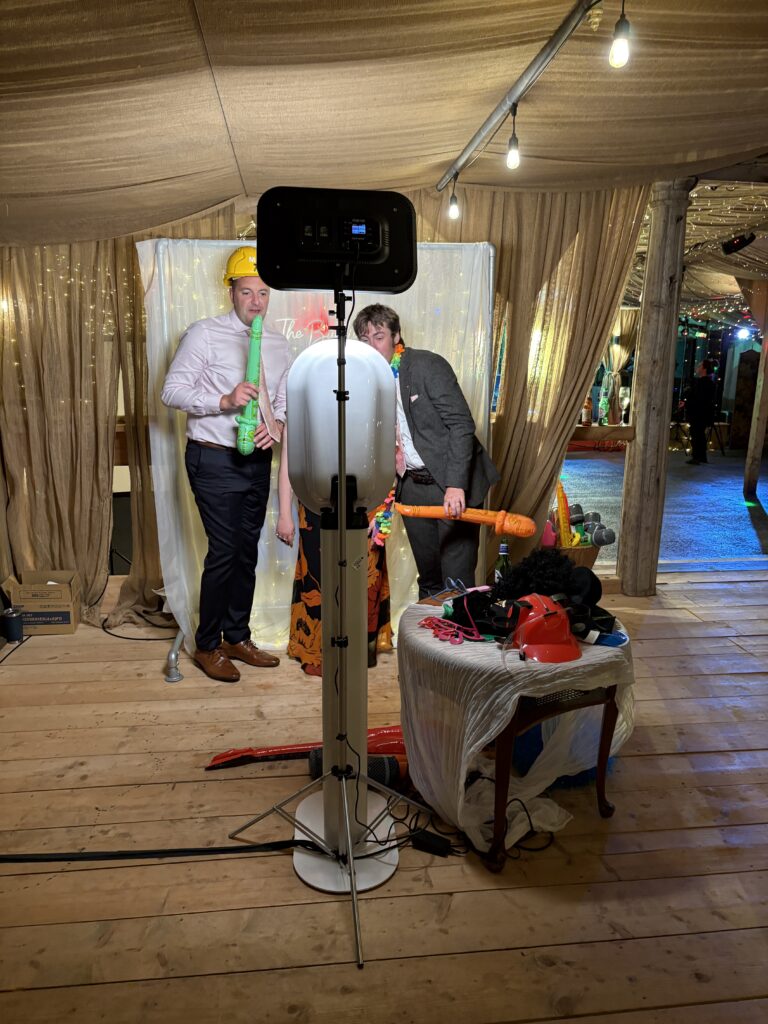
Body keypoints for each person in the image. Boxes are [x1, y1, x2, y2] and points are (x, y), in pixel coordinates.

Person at [161, 246, 291, 682]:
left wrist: (276, 425)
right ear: (231, 292)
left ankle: (237, 635)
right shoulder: (204, 334)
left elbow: (285, 398)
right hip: (213, 458)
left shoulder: (277, 343)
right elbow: (172, 391)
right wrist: (223, 400)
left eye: (264, 293)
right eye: (247, 291)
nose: (256, 302)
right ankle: (207, 643)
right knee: (223, 552)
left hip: (256, 460)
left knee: (246, 552)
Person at [353, 303, 500, 599]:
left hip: (453, 481)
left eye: (378, 336)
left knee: (456, 581)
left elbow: (462, 425)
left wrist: (455, 485)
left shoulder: (426, 366)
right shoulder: (370, 379)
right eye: (365, 340)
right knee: (429, 577)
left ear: (396, 336)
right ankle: (427, 643)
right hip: (414, 486)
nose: (371, 346)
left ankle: (459, 643)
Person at [276, 436, 392, 676]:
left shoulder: (374, 398)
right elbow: (290, 454)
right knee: (317, 574)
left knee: (366, 573)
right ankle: (318, 651)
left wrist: (385, 512)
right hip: (314, 499)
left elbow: (390, 451)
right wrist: (284, 513)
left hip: (366, 498)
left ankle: (360, 648)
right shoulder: (303, 398)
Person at [685, 359, 717, 465]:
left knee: (696, 434)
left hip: (698, 413)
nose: (697, 368)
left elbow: (698, 399)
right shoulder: (709, 383)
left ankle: (696, 457)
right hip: (704, 413)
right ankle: (702, 456)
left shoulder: (702, 383)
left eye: (699, 366)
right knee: (700, 435)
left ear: (704, 369)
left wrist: (688, 402)